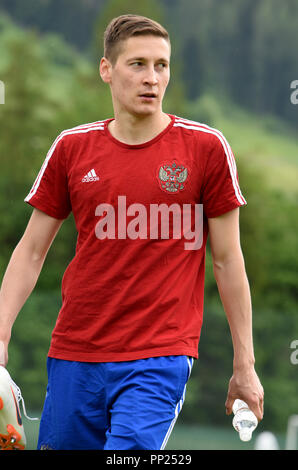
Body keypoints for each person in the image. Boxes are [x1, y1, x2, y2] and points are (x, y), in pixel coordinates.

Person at [0, 14, 264, 450]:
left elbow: (227, 260)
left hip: (159, 355)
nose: (152, 78)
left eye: (161, 65)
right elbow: (30, 251)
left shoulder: (206, 148)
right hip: (75, 352)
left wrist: (245, 364)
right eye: (137, 64)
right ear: (107, 70)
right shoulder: (71, 148)